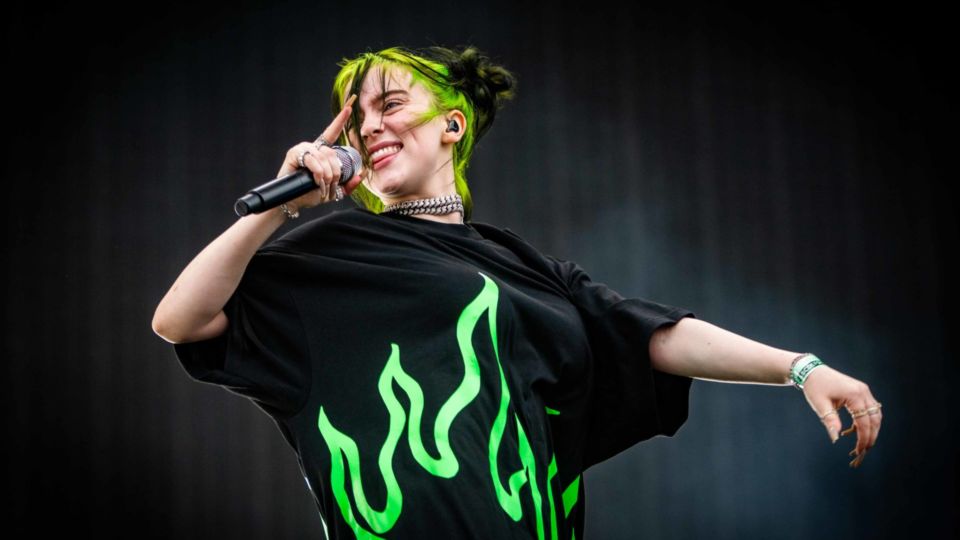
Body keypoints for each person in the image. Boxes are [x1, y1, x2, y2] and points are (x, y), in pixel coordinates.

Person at [152, 45, 883, 540]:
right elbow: (181, 321)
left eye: (390, 105)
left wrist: (801, 368)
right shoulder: (327, 254)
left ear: (452, 124)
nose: (369, 127)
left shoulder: (525, 267)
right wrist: (280, 206)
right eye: (355, 116)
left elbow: (652, 334)